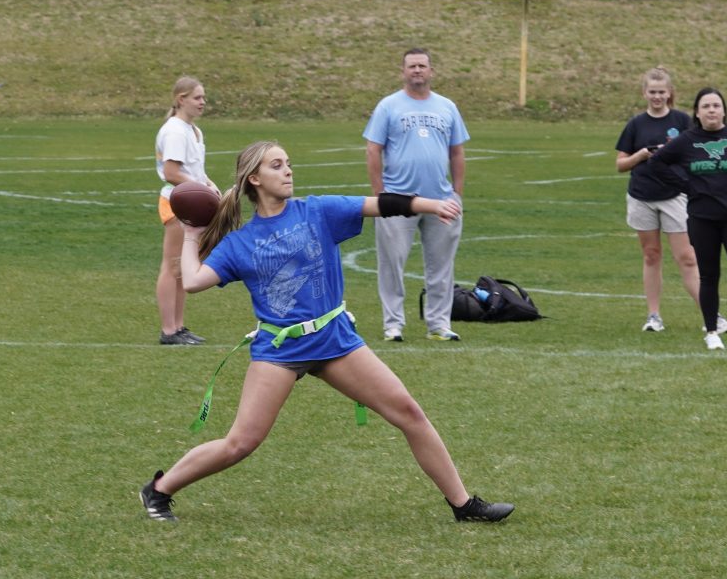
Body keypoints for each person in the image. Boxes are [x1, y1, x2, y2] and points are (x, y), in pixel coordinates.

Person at [139, 140, 514, 524]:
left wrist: (431, 204)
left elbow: (380, 204)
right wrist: (190, 233)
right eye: (276, 165)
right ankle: (160, 489)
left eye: (288, 163)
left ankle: (464, 505)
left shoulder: (316, 211)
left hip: (335, 340)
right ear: (254, 178)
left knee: (409, 414)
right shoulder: (242, 243)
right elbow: (194, 281)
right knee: (240, 443)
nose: (288, 171)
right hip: (280, 351)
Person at [649, 87, 727, 352]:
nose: (711, 110)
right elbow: (657, 163)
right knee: (709, 276)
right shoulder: (687, 140)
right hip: (702, 218)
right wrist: (685, 184)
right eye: (706, 106)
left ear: (724, 110)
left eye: (716, 105)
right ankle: (711, 331)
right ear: (697, 112)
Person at [615, 67, 727, 336]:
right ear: (644, 93)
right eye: (652, 92)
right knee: (651, 255)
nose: (657, 96)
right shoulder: (636, 124)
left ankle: (711, 316)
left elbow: (699, 151)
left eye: (662, 92)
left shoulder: (683, 121)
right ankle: (653, 315)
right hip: (642, 197)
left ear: (670, 93)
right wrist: (642, 156)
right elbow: (620, 164)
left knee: (688, 258)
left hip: (676, 197)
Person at [364, 47, 469, 342]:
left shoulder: (447, 106)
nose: (417, 70)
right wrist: (379, 193)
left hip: (441, 200)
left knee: (441, 265)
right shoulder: (388, 106)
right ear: (403, 72)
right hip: (398, 200)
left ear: (431, 71)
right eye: (412, 66)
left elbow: (457, 151)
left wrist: (457, 192)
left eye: (422, 65)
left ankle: (439, 324)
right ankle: (393, 324)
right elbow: (373, 149)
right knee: (391, 264)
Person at [154, 76, 219, 345]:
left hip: (190, 203)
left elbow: (194, 171)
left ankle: (178, 327)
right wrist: (200, 188)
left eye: (203, 97)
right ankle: (169, 330)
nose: (203, 102)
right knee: (172, 266)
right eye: (197, 98)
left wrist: (209, 185)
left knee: (183, 267)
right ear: (182, 100)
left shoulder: (193, 130)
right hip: (177, 203)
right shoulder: (175, 131)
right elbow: (171, 173)